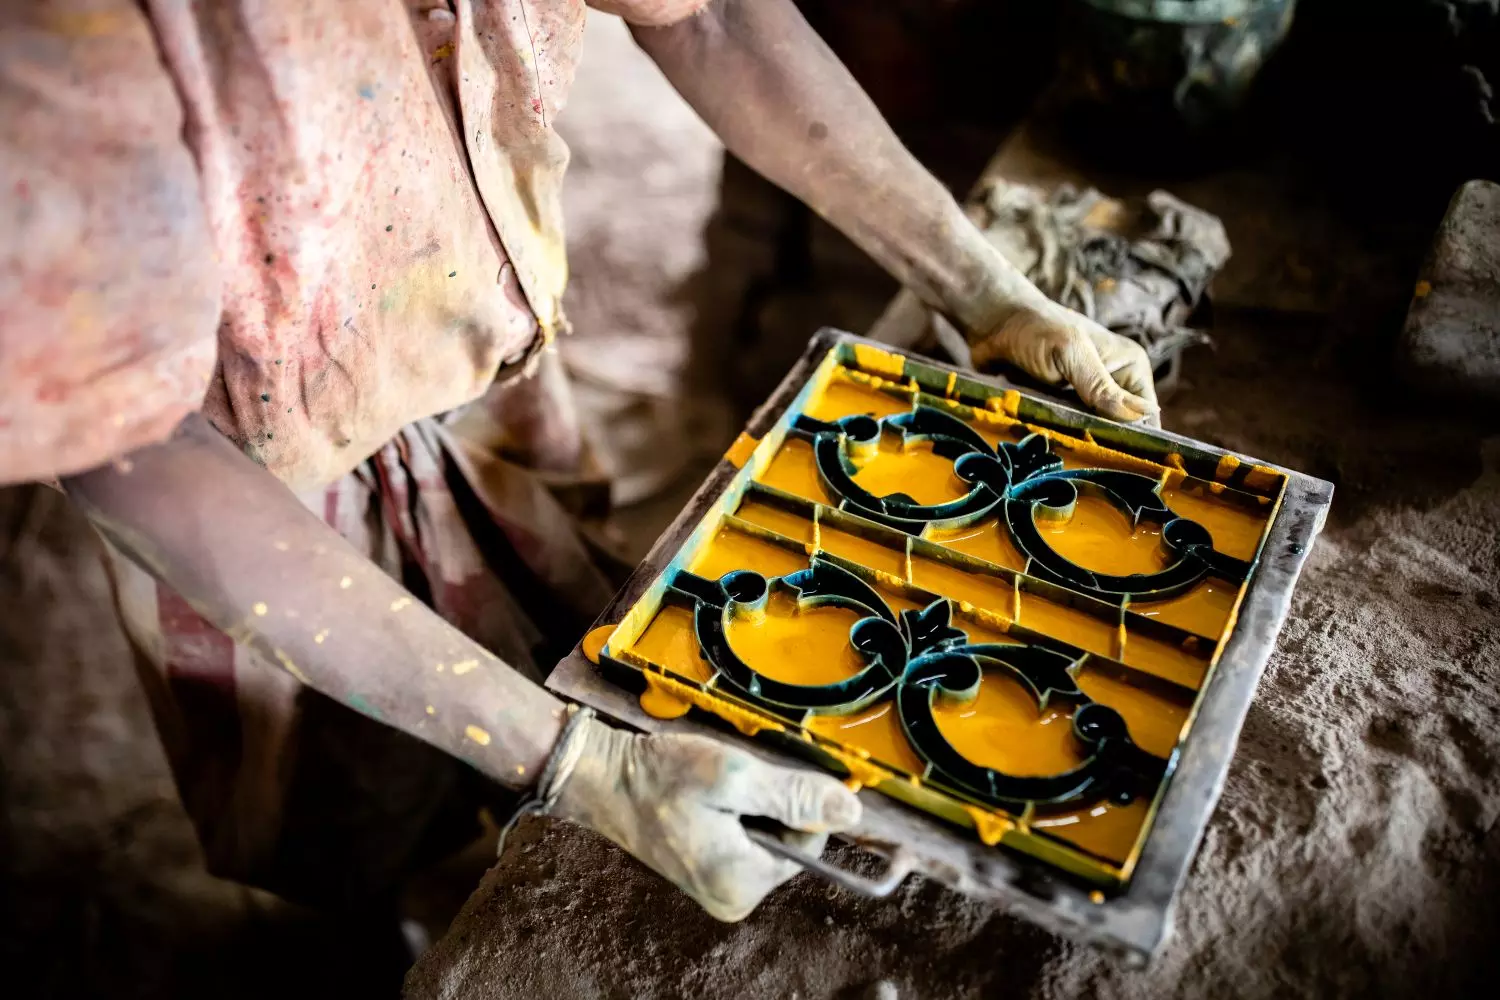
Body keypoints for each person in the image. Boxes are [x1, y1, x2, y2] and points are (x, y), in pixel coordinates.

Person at [0, 0, 1158, 932]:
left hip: (482, 356)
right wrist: (578, 761)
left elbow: (704, 18)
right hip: (254, 487)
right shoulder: (59, 45)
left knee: (563, 607)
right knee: (351, 784)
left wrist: (985, 290)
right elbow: (132, 448)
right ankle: (405, 919)